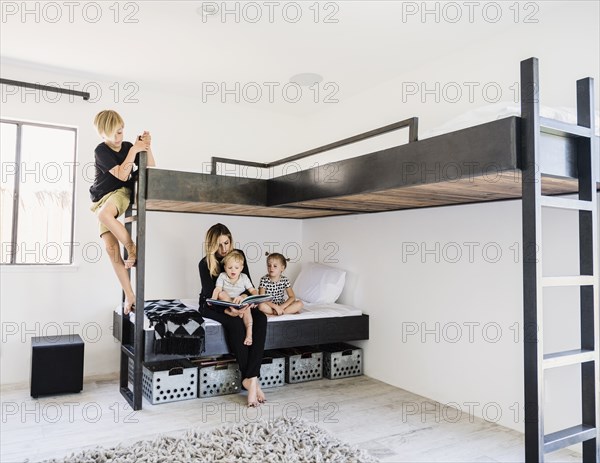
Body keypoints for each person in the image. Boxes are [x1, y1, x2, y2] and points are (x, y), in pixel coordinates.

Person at [89, 110, 156, 314]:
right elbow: (121, 173)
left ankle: (131, 246)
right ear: (103, 134)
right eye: (114, 134)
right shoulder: (101, 150)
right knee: (111, 249)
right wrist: (134, 151)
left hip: (120, 192)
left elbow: (151, 168)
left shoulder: (128, 147)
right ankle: (130, 294)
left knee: (104, 216)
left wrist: (145, 147)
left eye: (121, 131)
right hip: (101, 197)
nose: (119, 137)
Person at [198, 224, 268, 407]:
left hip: (238, 302)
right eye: (219, 245)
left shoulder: (238, 256)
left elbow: (248, 285)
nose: (223, 249)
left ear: (231, 240)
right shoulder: (204, 263)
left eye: (226, 243)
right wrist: (228, 309)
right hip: (212, 305)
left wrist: (245, 299)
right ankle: (252, 380)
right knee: (236, 324)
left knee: (261, 318)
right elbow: (209, 295)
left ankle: (250, 379)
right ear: (211, 245)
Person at [212, 250, 258, 346]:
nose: (233, 270)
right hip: (228, 301)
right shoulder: (222, 276)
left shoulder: (244, 277)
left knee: (247, 308)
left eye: (236, 268)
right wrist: (213, 299)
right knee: (221, 293)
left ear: (241, 268)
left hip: (239, 301)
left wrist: (255, 298)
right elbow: (217, 289)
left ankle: (249, 334)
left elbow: (253, 290)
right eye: (230, 267)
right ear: (225, 267)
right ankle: (234, 309)